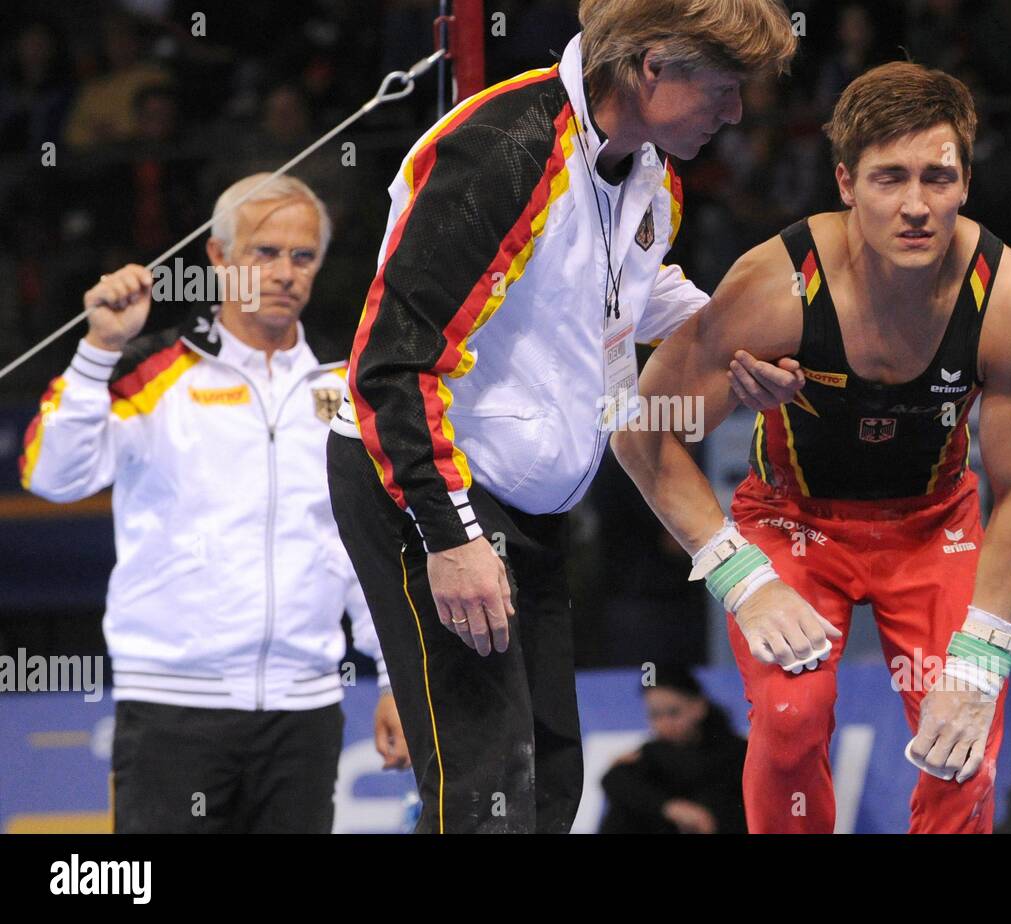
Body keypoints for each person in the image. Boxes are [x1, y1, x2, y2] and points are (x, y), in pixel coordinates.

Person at [327, 0, 807, 834]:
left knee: (548, 783)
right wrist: (450, 535)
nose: (736, 114)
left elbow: (629, 290)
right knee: (484, 790)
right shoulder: (503, 152)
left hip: (530, 504)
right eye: (723, 89)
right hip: (430, 487)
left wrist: (733, 348)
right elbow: (390, 367)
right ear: (652, 66)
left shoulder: (649, 167)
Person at [613, 61, 1011, 833]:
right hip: (793, 524)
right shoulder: (774, 287)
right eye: (890, 179)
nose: (917, 206)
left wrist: (983, 653)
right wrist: (740, 575)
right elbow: (641, 432)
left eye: (938, 177)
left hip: (933, 529)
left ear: (966, 181)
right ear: (847, 182)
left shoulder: (1010, 300)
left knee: (965, 740)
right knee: (791, 716)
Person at [19, 174, 408, 833]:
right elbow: (50, 474)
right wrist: (98, 350)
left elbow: (354, 548)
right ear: (219, 258)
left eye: (303, 256)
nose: (285, 272)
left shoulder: (341, 389)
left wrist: (398, 676)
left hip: (305, 710)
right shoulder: (151, 370)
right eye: (265, 253)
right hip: (172, 707)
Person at [600, 665, 747, 834]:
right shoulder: (652, 753)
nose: (664, 723)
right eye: (655, 715)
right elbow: (613, 780)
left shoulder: (734, 751)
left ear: (699, 707)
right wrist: (671, 807)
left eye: (673, 712)